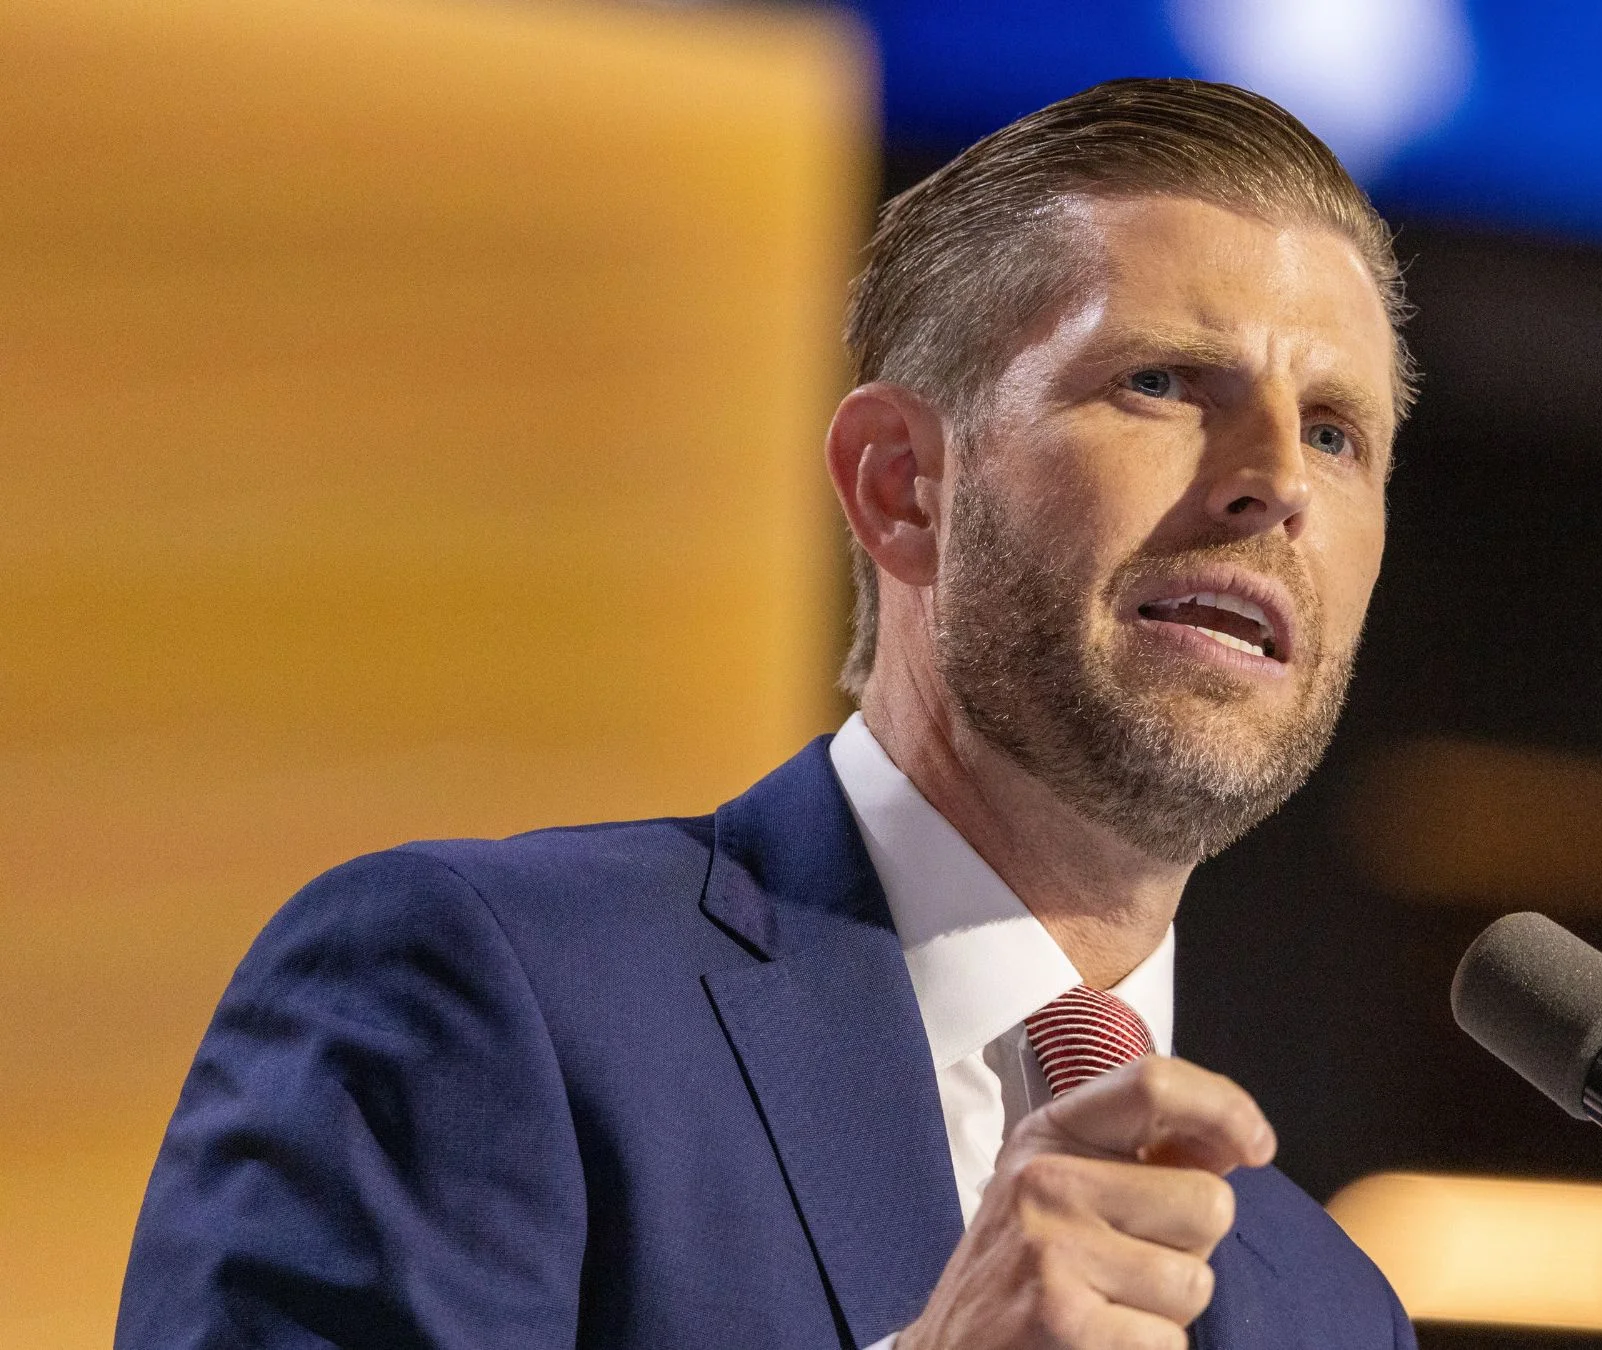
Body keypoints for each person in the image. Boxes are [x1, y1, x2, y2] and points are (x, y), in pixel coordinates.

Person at [118, 77, 1417, 1350]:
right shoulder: (481, 995)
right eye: (1164, 382)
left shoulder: (1331, 1307)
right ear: (902, 485)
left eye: (1337, 432)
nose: (1275, 485)